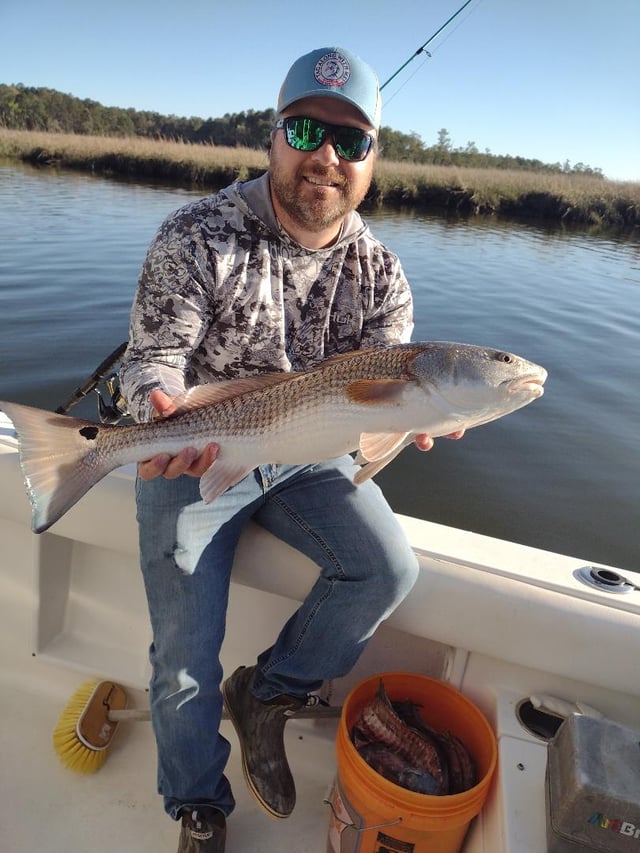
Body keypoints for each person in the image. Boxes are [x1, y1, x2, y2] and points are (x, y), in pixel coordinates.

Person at [120, 46, 462, 853]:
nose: (326, 157)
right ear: (273, 136)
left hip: (312, 454)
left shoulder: (382, 273)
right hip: (202, 448)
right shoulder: (198, 233)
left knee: (387, 568)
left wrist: (408, 422)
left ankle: (268, 691)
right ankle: (198, 801)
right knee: (181, 658)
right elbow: (152, 359)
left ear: (373, 159)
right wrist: (156, 408)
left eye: (351, 140)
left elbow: (387, 391)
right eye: (306, 129)